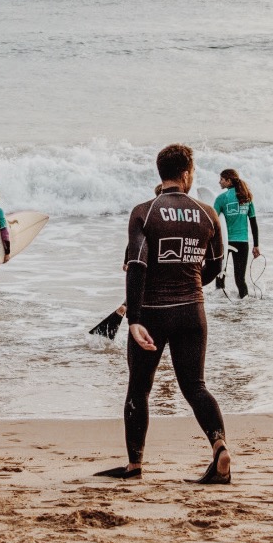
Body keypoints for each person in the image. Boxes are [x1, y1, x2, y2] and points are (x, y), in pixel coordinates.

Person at [96, 143, 231, 484]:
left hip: (153, 314)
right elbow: (215, 266)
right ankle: (218, 447)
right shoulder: (206, 214)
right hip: (192, 312)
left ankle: (134, 466)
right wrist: (190, 285)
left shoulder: (145, 212)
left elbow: (137, 264)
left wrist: (135, 318)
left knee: (139, 390)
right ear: (187, 173)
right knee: (195, 386)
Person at [213, 168, 261, 299]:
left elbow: (213, 221)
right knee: (240, 279)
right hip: (243, 242)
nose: (219, 182)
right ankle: (244, 307)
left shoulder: (221, 199)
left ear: (228, 181)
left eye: (221, 179)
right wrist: (256, 245)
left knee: (220, 275)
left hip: (225, 242)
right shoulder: (247, 197)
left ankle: (220, 306)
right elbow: (253, 223)